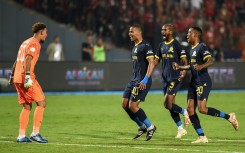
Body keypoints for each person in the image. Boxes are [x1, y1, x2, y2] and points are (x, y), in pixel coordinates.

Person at [173, 27, 239, 143]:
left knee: (202, 109)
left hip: (202, 81)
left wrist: (201, 66)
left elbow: (210, 60)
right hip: (193, 82)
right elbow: (191, 66)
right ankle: (202, 136)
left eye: (189, 33)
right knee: (190, 109)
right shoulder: (191, 49)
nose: (187, 35)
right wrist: (181, 67)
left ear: (196, 35)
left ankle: (229, 117)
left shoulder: (201, 47)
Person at [9, 22, 48, 143]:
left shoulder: (25, 42)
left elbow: (17, 60)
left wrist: (12, 75)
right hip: (26, 77)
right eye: (45, 33)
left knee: (27, 106)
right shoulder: (34, 43)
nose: (46, 35)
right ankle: (35, 133)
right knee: (42, 103)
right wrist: (27, 76)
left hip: (17, 77)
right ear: (40, 32)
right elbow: (27, 59)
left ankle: (21, 136)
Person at [154, 24, 190, 139]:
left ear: (171, 32)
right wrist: (147, 67)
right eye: (162, 29)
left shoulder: (177, 45)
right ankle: (180, 129)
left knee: (167, 104)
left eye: (165, 30)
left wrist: (183, 71)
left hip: (175, 77)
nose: (162, 31)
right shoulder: (161, 45)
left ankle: (185, 112)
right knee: (170, 106)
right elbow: (156, 61)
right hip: (165, 78)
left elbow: (185, 61)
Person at [122, 24, 156, 141]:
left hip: (142, 80)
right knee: (125, 105)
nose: (129, 34)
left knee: (133, 105)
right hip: (133, 80)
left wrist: (146, 78)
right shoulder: (135, 47)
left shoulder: (145, 45)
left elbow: (151, 63)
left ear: (138, 32)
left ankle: (150, 127)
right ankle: (141, 126)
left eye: (131, 31)